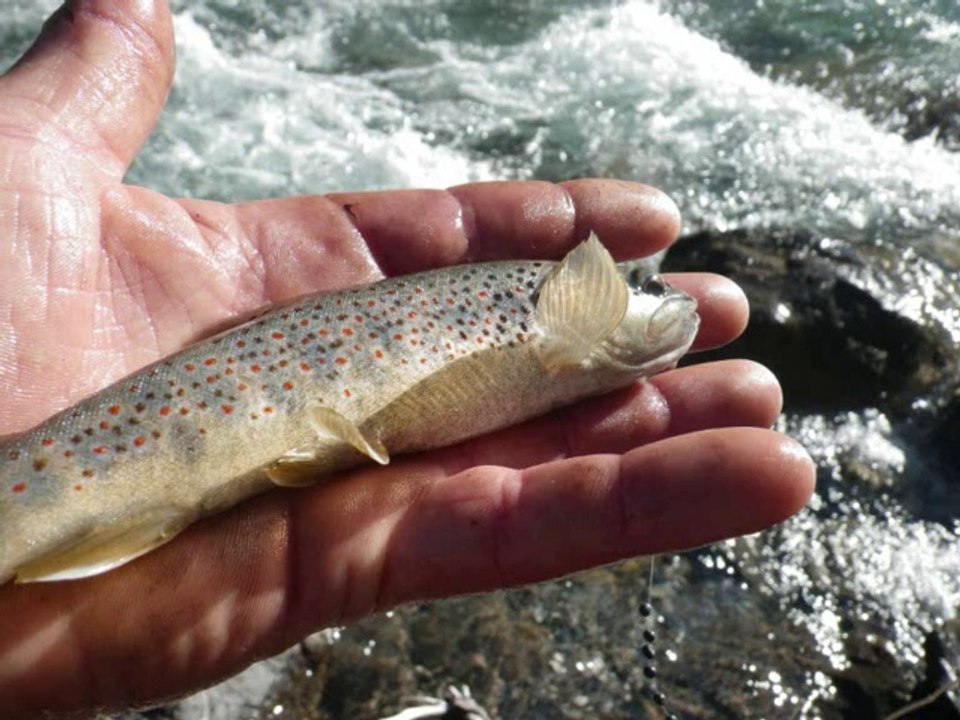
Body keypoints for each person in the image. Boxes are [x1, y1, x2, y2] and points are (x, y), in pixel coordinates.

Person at [0, 2, 815, 717]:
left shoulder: (572, 340)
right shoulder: (570, 315)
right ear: (589, 296)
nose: (669, 304)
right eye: (639, 287)